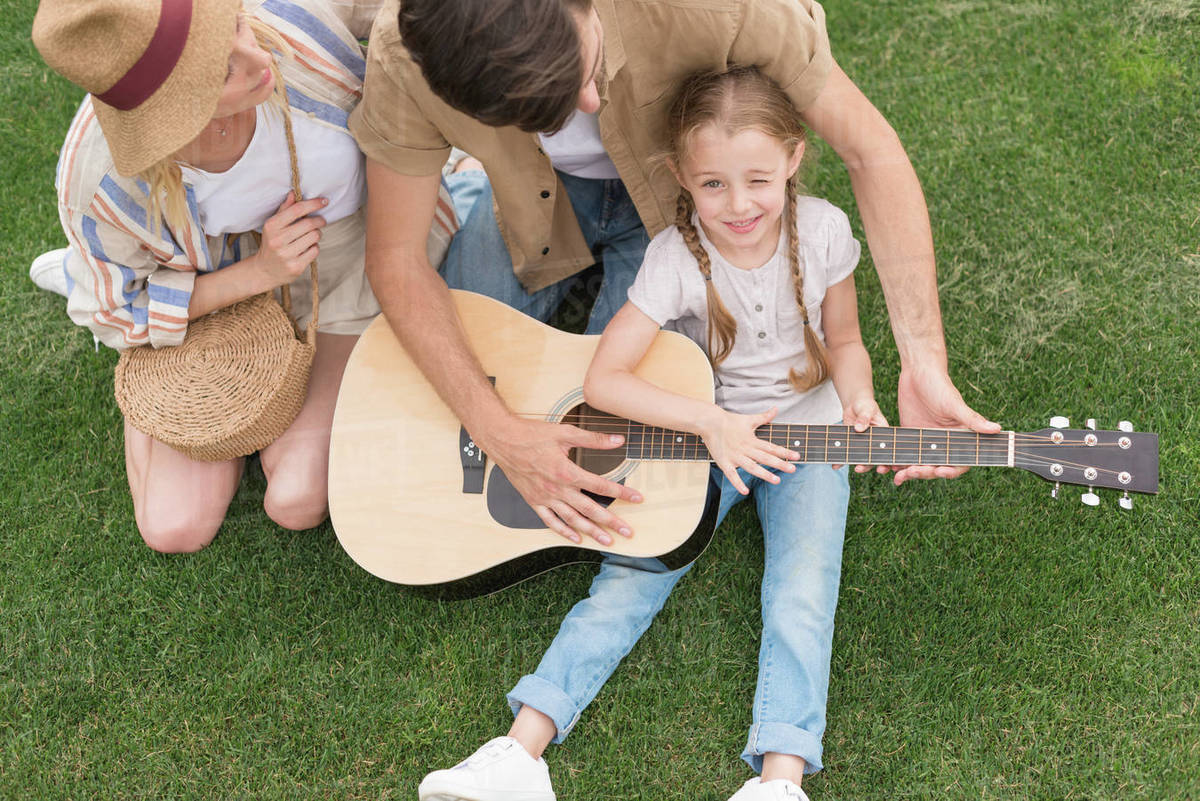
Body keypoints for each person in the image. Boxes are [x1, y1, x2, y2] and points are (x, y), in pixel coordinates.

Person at [348, 0, 1000, 548]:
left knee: (614, 444)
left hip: (671, 209)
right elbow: (397, 261)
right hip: (528, 203)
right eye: (547, 106)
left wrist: (923, 360)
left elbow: (870, 149)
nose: (589, 100)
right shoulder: (403, 50)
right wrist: (500, 433)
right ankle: (464, 185)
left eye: (585, 65)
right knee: (429, 395)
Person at [419, 65, 880, 801]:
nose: (738, 205)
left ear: (794, 158)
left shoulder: (823, 231)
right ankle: (518, 751)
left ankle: (780, 779)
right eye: (714, 185)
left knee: (801, 589)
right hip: (698, 440)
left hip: (810, 435)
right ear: (680, 177)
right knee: (627, 579)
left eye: (758, 180)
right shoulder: (675, 255)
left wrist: (859, 401)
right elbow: (604, 381)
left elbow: (847, 342)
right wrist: (713, 423)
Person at [30, 0, 454, 553]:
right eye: (222, 70)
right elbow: (114, 314)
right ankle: (94, 281)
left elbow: (422, 18)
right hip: (221, 293)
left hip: (347, 267)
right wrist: (260, 272)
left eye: (231, 26)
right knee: (172, 528)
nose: (258, 58)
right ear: (169, 113)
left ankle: (107, 284)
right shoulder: (103, 183)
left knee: (297, 499)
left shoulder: (286, 23)